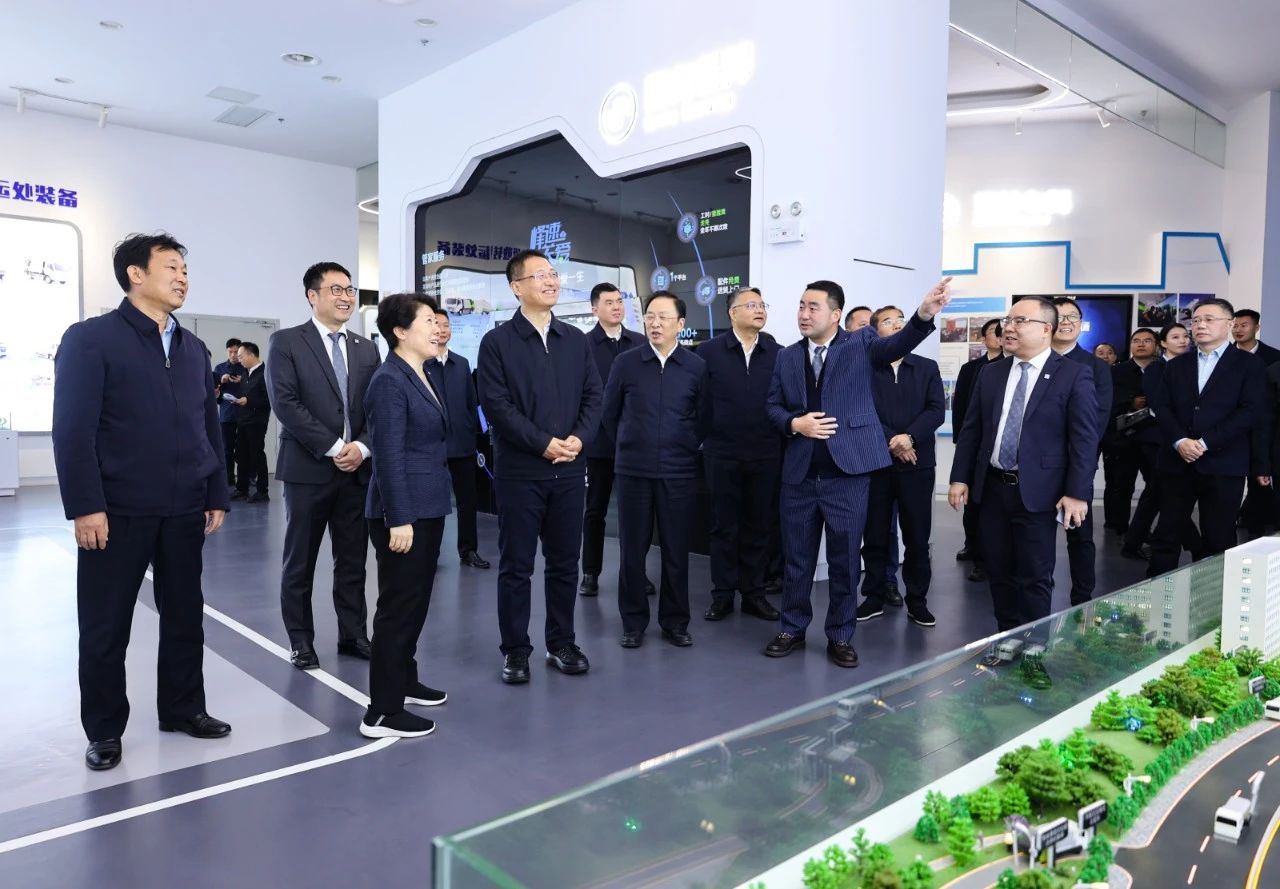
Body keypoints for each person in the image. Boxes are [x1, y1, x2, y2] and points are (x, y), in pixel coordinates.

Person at [52, 232, 231, 772]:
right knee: (106, 625)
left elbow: (207, 427)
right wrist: (86, 505)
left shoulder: (193, 348)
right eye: (171, 267)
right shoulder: (92, 340)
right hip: (117, 510)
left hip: (184, 508)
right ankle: (105, 729)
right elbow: (73, 429)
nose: (182, 277)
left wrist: (215, 490)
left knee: (185, 616)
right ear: (135, 274)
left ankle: (182, 708)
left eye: (185, 269)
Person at [763, 277, 951, 668]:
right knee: (796, 560)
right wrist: (794, 424)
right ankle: (792, 628)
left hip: (846, 476)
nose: (804, 313)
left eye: (813, 307)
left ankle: (840, 635)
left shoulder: (861, 344)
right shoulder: (786, 357)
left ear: (835, 314)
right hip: (799, 476)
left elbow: (897, 344)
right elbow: (773, 407)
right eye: (801, 306)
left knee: (845, 560)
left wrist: (923, 314)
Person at [477, 249, 602, 684]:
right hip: (520, 473)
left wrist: (579, 438)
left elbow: (594, 396)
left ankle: (561, 642)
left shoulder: (576, 340)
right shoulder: (497, 343)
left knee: (565, 563)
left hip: (569, 470)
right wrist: (542, 443)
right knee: (517, 566)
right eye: (540, 275)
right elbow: (497, 406)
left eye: (553, 274)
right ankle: (515, 650)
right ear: (517, 287)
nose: (551, 281)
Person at [948, 296, 1099, 632]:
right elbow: (972, 430)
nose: (1009, 327)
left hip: (1039, 493)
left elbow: (1084, 440)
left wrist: (1077, 493)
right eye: (1008, 320)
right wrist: (960, 477)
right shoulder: (991, 373)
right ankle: (1006, 640)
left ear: (1046, 329)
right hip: (992, 489)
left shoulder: (1073, 375)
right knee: (998, 572)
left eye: (1020, 321)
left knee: (1034, 576)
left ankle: (1033, 649)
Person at [268, 262, 380, 670]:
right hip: (308, 470)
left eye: (350, 290)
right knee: (300, 560)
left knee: (352, 561)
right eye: (336, 289)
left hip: (356, 472)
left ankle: (354, 635)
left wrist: (362, 447)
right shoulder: (287, 342)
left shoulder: (366, 348)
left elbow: (376, 406)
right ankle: (301, 641)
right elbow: (286, 404)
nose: (346, 297)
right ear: (312, 296)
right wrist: (335, 447)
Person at [360, 293, 452, 739]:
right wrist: (398, 518)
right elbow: (388, 456)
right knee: (397, 608)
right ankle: (382, 711)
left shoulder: (421, 372)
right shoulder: (389, 381)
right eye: (428, 321)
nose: (438, 328)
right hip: (403, 514)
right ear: (400, 331)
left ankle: (404, 680)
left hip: (426, 507)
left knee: (415, 602)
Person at [603, 292, 706, 647]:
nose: (655, 323)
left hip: (679, 471)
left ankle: (675, 622)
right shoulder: (627, 363)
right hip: (634, 471)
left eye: (664, 317)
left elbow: (704, 417)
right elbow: (609, 414)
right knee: (633, 550)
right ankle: (633, 623)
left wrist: (685, 444)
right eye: (650, 316)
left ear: (681, 324)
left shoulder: (695, 366)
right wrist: (630, 444)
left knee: (676, 550)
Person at [1146, 299, 1265, 577]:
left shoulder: (1249, 365)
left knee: (1219, 538)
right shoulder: (1176, 365)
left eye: (1209, 319)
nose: (1200, 325)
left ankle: (1215, 598)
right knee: (1166, 534)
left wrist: (1204, 443)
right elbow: (1161, 407)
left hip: (1224, 464)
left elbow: (1250, 411)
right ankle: (1157, 595)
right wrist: (1180, 441)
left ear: (1230, 324)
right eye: (1196, 320)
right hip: (1177, 462)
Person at [698, 287, 782, 623]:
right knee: (723, 526)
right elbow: (697, 400)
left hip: (766, 452)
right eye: (751, 305)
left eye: (762, 305)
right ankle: (722, 595)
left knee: (759, 526)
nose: (759, 310)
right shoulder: (708, 351)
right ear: (732, 313)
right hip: (722, 452)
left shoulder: (777, 352)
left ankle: (753, 594)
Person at [856, 305, 944, 626]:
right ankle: (873, 596)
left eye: (901, 321)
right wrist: (893, 440)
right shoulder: (866, 368)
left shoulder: (926, 367)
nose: (896, 326)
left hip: (917, 464)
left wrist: (909, 438)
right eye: (888, 322)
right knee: (875, 535)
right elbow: (861, 411)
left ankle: (917, 600)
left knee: (917, 537)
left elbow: (936, 410)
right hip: (876, 464)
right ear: (874, 332)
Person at [579, 282, 648, 597]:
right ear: (595, 309)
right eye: (609, 302)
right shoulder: (583, 345)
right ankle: (590, 572)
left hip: (635, 442)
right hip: (599, 444)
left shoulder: (639, 342)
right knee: (595, 510)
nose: (617, 306)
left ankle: (636, 574)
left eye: (619, 301)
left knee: (636, 514)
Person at [1121, 323, 1203, 560]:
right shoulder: (1156, 369)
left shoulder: (1194, 366)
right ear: (1163, 343)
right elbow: (1159, 406)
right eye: (1175, 337)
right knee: (1165, 494)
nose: (1183, 340)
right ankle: (1196, 547)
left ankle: (1133, 543)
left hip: (1182, 442)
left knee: (1157, 494)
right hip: (1157, 441)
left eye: (1185, 336)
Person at [1051, 297, 1113, 605]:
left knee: (1080, 533)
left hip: (1077, 465)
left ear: (1081, 324)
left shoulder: (1096, 367)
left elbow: (1096, 422)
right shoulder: (1033, 361)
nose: (1066, 322)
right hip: (1035, 466)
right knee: (1035, 536)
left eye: (1072, 317)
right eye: (1059, 316)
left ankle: (1083, 599)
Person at [425, 306, 490, 570]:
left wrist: (477, 435)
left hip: (463, 444)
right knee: (433, 501)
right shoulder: (421, 364)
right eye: (436, 324)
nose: (442, 330)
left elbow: (472, 403)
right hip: (433, 446)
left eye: (446, 325)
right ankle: (430, 553)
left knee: (467, 500)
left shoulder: (461, 363)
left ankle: (468, 550)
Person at [951, 318, 1002, 582]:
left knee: (987, 505)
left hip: (996, 449)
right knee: (971, 502)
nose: (1000, 335)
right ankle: (972, 545)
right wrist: (961, 441)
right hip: (973, 445)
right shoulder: (972, 369)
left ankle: (986, 557)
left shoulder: (1006, 366)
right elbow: (961, 406)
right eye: (993, 332)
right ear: (984, 338)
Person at [1106, 328, 1159, 543]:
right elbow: (1107, 401)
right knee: (1121, 486)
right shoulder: (1116, 371)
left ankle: (1142, 530)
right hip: (1124, 439)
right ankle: (1119, 529)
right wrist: (1130, 401)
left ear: (1157, 345)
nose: (1141, 344)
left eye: (1147, 340)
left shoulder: (1163, 369)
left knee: (1156, 486)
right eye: (1136, 340)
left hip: (1154, 439)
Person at [1233, 309, 1280, 538]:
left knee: (1260, 479)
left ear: (1256, 327)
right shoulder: (1223, 357)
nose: (1238, 329)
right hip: (1232, 428)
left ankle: (1257, 527)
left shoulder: (1274, 358)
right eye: (1235, 325)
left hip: (1264, 428)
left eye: (1244, 325)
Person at [232, 341, 271, 502]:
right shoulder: (246, 373)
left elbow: (269, 400)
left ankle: (262, 491)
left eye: (241, 356)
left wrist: (248, 401)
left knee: (257, 455)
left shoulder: (266, 373)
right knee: (241, 455)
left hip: (257, 422)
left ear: (251, 355)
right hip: (243, 420)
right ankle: (242, 488)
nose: (238, 359)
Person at [213, 338, 243, 492]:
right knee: (227, 450)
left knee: (244, 449)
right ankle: (228, 479)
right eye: (230, 352)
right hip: (226, 415)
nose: (233, 355)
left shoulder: (246, 368)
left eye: (236, 352)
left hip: (245, 415)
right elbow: (214, 396)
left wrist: (243, 381)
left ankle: (247, 478)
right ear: (227, 351)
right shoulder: (219, 369)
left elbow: (254, 390)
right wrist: (221, 382)